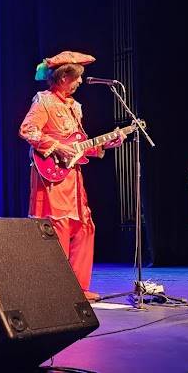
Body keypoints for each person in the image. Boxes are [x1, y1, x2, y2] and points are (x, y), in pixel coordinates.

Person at [19, 51, 126, 302]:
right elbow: (28, 130)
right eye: (77, 78)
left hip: (73, 177)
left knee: (84, 227)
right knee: (58, 228)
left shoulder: (74, 107)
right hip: (52, 177)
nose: (80, 82)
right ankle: (56, 289)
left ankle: (79, 287)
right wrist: (55, 147)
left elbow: (77, 145)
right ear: (64, 76)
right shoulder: (44, 101)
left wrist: (107, 143)